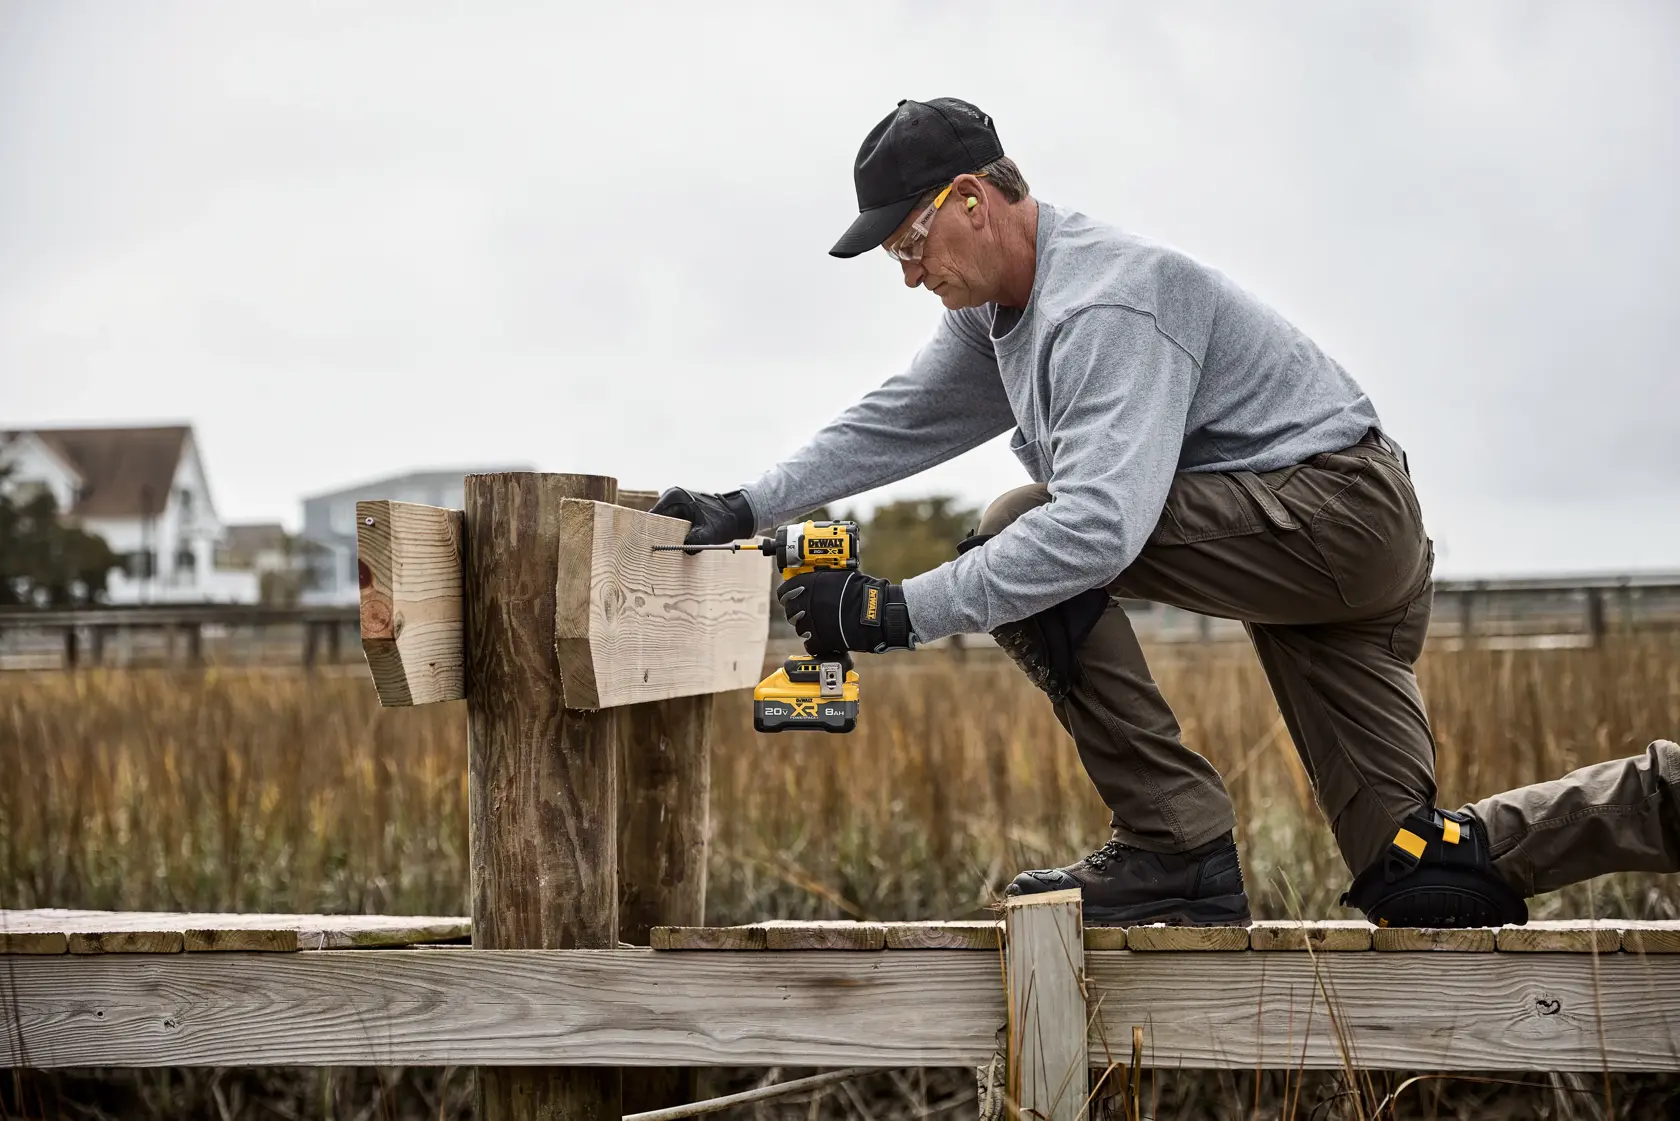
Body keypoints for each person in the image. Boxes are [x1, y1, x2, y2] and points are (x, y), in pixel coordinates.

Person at [652, 97, 1680, 928]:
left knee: (1027, 526)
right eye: (893, 259)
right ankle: (1661, 797)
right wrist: (745, 501)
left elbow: (1099, 530)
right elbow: (894, 421)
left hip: (1333, 516)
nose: (910, 272)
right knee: (1417, 876)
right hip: (1315, 548)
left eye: (912, 242)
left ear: (971, 198)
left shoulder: (1101, 301)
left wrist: (891, 613)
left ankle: (1175, 847)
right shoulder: (999, 315)